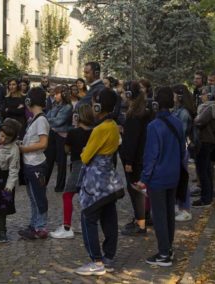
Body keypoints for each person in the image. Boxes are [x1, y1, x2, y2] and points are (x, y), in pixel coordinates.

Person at [75, 88, 124, 276]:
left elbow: (86, 157)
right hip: (110, 180)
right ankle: (109, 257)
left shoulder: (100, 129)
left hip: (95, 182)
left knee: (89, 217)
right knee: (110, 218)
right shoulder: (113, 126)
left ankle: (96, 260)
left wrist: (84, 150)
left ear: (98, 106)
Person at [135, 87, 186, 267]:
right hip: (174, 174)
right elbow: (182, 150)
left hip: (158, 177)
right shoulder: (177, 122)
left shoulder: (153, 126)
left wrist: (144, 179)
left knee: (159, 216)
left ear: (156, 104)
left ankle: (164, 253)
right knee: (169, 214)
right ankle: (168, 248)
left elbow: (151, 156)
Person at [50, 104, 94, 239]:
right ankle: (85, 223)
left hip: (77, 165)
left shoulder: (74, 133)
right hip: (92, 167)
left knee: (68, 195)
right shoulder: (94, 132)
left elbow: (66, 150)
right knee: (85, 195)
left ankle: (67, 226)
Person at [120, 81, 152, 236]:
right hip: (142, 157)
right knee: (140, 189)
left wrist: (128, 162)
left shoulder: (135, 115)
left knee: (135, 190)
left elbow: (132, 140)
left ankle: (140, 224)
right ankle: (143, 218)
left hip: (135, 160)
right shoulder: (144, 111)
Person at [18, 87, 50, 239]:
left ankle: (41, 227)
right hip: (30, 164)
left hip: (36, 164)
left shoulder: (41, 120)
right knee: (32, 198)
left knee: (38, 197)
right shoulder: (34, 120)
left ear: (29, 101)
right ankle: (34, 224)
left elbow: (43, 144)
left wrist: (24, 149)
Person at [192, 85, 215, 208]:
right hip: (206, 141)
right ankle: (207, 197)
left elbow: (198, 121)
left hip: (204, 141)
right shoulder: (212, 107)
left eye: (203, 94)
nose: (201, 96)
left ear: (209, 95)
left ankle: (205, 199)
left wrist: (196, 118)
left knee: (203, 171)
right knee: (206, 170)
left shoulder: (210, 107)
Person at [171, 84, 196, 221]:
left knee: (183, 180)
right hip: (178, 150)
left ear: (179, 96)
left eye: (174, 94)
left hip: (181, 150)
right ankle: (179, 206)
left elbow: (181, 133)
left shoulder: (184, 113)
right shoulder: (177, 110)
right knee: (179, 179)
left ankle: (185, 209)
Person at [45, 85, 73, 192]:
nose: (55, 95)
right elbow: (47, 116)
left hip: (62, 136)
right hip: (53, 133)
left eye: (57, 93)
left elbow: (58, 121)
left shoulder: (68, 107)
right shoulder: (55, 105)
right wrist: (50, 119)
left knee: (61, 162)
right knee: (49, 159)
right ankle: (44, 183)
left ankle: (60, 186)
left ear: (63, 94)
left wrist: (48, 120)